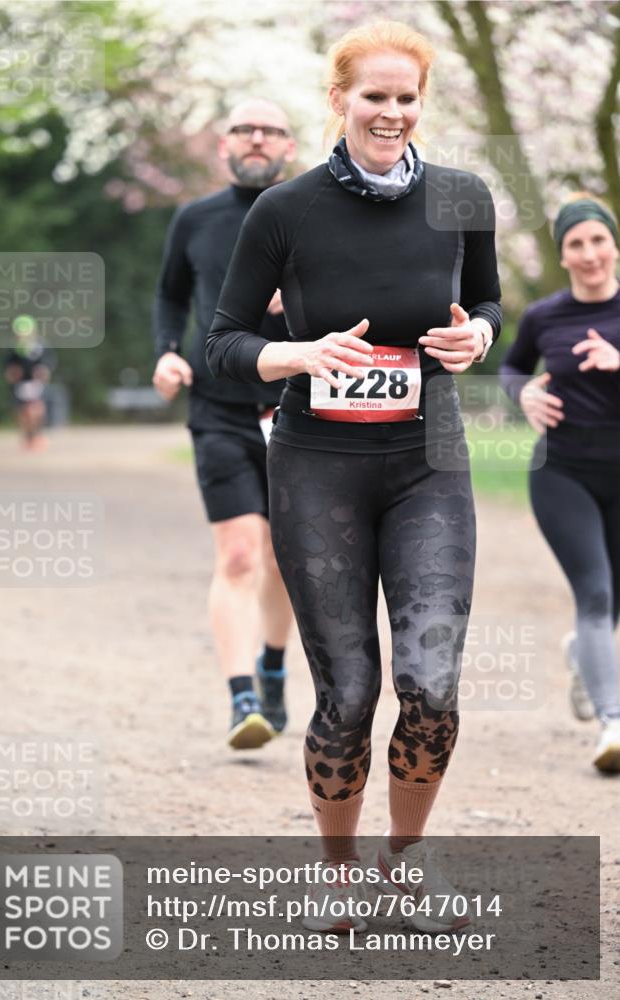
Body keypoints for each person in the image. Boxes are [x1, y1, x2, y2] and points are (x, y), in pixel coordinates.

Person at [208, 21, 501, 931]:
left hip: (429, 464)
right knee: (347, 692)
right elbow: (222, 344)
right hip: (317, 468)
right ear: (338, 100)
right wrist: (295, 354)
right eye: (373, 96)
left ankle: (403, 866)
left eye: (406, 97)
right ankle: (337, 874)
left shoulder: (461, 196)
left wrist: (479, 334)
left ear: (421, 103)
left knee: (433, 685)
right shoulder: (284, 210)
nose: (391, 112)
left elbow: (487, 301)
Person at [152, 99, 296, 750]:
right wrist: (166, 351)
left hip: (298, 406)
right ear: (224, 145)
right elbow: (170, 293)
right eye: (244, 129)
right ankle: (242, 700)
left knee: (284, 559)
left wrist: (296, 297)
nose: (257, 138)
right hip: (217, 407)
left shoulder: (311, 215)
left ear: (289, 146)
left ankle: (272, 662)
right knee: (239, 553)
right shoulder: (196, 218)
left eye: (270, 130)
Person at [500, 194, 620, 773]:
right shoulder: (546, 316)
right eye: (577, 243)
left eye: (598, 239)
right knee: (594, 593)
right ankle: (613, 723)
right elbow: (511, 366)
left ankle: (582, 655)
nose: (590, 252)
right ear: (564, 254)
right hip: (563, 472)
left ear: (614, 246)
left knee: (612, 603)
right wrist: (521, 392)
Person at [3, 323, 55, 451]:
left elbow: (48, 362)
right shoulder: (14, 348)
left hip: (36, 383)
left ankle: (37, 436)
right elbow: (8, 366)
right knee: (23, 413)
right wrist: (11, 372)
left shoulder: (40, 346)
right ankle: (27, 437)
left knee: (36, 410)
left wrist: (44, 371)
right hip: (20, 384)